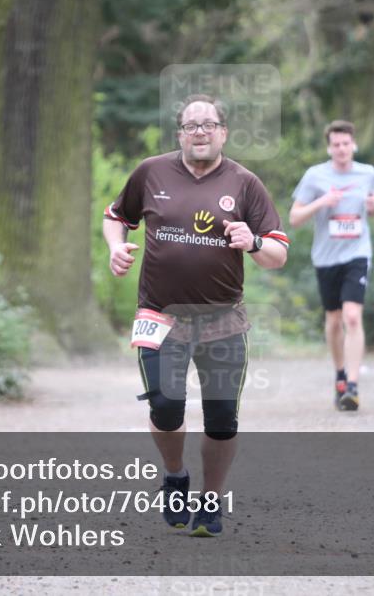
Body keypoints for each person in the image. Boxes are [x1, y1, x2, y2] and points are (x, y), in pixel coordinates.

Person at [103, 94, 289, 537]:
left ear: (224, 132)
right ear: (180, 134)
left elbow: (278, 254)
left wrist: (255, 243)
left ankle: (210, 499)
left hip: (223, 320)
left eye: (209, 124)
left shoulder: (245, 184)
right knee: (166, 407)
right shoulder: (151, 172)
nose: (200, 132)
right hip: (159, 314)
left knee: (222, 418)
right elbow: (115, 216)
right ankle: (174, 476)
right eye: (191, 125)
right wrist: (115, 247)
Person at [289, 120, 374, 411]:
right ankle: (340, 374)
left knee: (352, 317)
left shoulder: (368, 173)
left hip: (357, 252)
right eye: (336, 145)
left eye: (346, 144)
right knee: (333, 319)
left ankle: (352, 386)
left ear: (354, 145)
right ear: (329, 147)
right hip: (326, 257)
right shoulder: (315, 176)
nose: (341, 149)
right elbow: (295, 218)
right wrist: (322, 202)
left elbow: (373, 206)